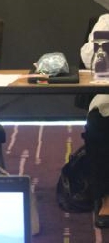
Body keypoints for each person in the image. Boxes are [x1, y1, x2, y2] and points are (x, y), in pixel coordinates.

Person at [81, 14, 109, 228]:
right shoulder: (106, 20)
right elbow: (95, 62)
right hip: (108, 96)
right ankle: (106, 196)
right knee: (99, 123)